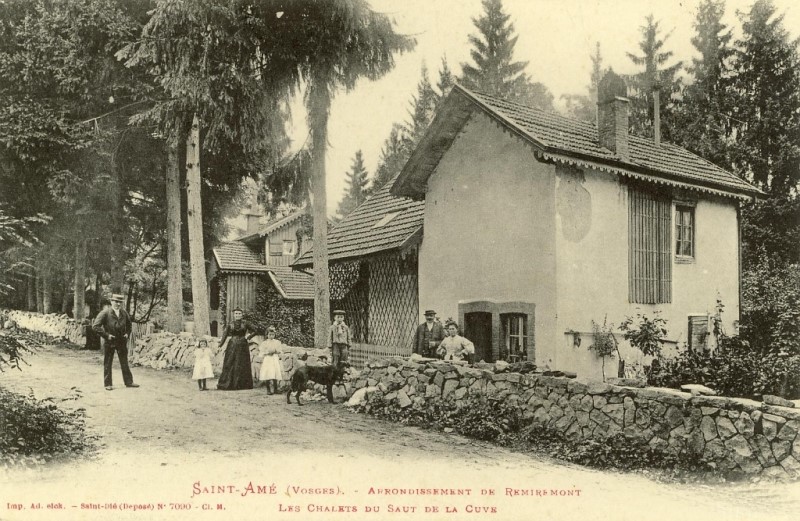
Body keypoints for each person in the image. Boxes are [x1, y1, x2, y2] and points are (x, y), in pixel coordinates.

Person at [92, 293, 139, 390]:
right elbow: (95, 326)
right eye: (116, 302)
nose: (118, 304)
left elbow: (129, 325)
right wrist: (106, 335)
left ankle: (129, 382)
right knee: (108, 362)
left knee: (124, 362)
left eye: (120, 302)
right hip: (110, 341)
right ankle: (108, 384)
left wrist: (127, 334)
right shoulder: (105, 313)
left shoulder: (124, 313)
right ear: (111, 301)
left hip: (121, 341)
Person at [216, 308, 256, 390]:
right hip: (232, 345)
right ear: (234, 315)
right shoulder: (230, 324)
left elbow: (255, 330)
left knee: (242, 363)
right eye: (236, 313)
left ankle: (242, 384)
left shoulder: (246, 323)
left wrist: (248, 337)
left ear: (242, 315)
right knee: (230, 363)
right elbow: (224, 335)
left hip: (243, 345)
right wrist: (220, 346)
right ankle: (230, 383)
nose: (238, 315)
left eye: (239, 313)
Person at [258, 327, 285, 394]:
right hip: (268, 359)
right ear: (267, 335)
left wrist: (277, 351)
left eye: (273, 334)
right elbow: (261, 352)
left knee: (275, 373)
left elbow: (280, 350)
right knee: (268, 373)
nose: (271, 336)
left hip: (274, 358)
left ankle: (275, 389)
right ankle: (268, 390)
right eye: (270, 334)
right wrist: (267, 352)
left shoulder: (277, 342)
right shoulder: (264, 343)